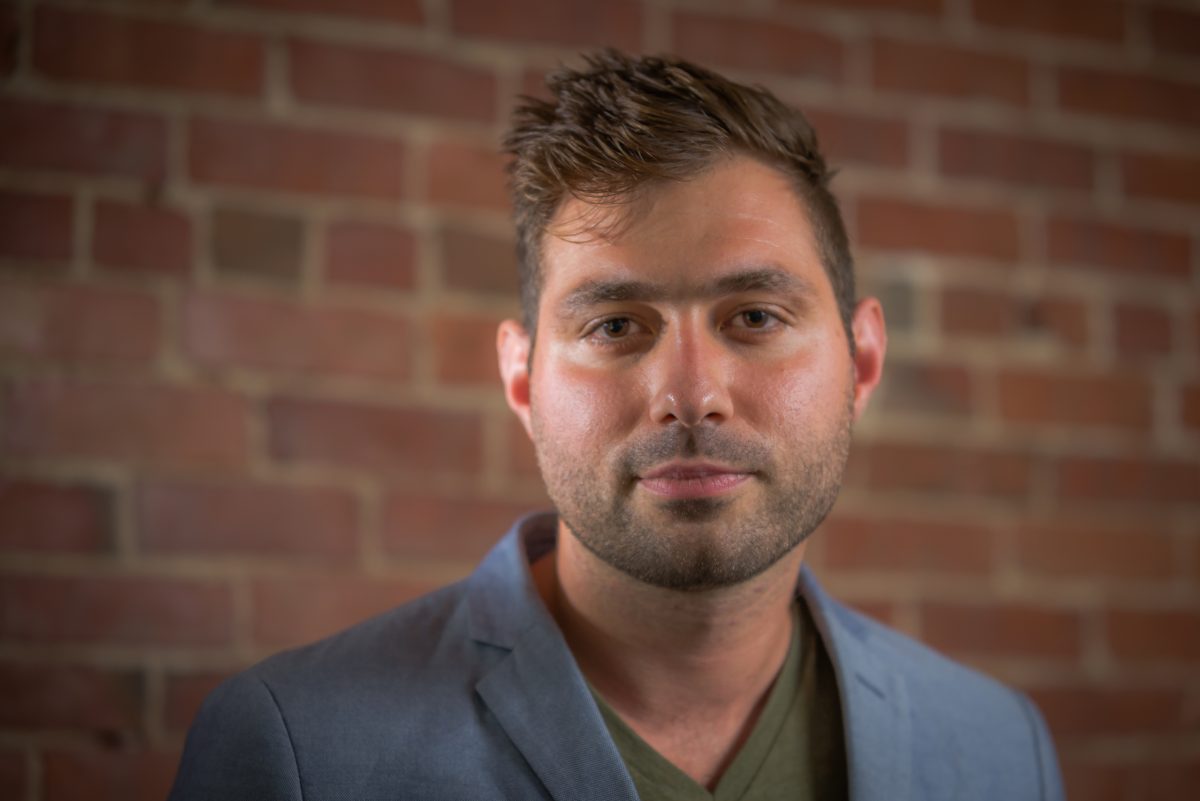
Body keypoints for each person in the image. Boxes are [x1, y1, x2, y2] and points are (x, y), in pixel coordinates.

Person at [169, 50, 1065, 800]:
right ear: (522, 378)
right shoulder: (296, 752)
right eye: (614, 326)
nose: (691, 393)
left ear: (862, 360)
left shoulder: (1000, 750)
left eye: (755, 316)